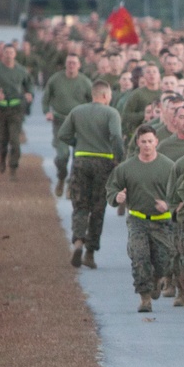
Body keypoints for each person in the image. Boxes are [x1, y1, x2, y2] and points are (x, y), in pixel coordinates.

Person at [105, 125, 176, 312]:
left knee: (164, 261)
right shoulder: (126, 168)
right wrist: (117, 197)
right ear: (137, 143)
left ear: (156, 142)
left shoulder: (169, 167)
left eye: (150, 141)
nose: (147, 145)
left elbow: (180, 194)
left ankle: (157, 279)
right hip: (137, 220)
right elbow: (112, 188)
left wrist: (168, 204)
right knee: (139, 256)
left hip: (163, 221)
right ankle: (144, 298)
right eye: (143, 141)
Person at [57, 80, 126, 268]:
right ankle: (90, 253)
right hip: (104, 163)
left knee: (80, 205)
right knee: (98, 208)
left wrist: (78, 143)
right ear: (105, 95)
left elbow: (63, 135)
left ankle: (78, 241)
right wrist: (119, 157)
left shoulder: (77, 111)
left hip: (81, 160)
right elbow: (116, 136)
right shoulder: (111, 113)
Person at [43, 53, 93, 196]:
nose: (71, 65)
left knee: (78, 156)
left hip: (79, 123)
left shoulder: (85, 82)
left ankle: (72, 184)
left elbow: (93, 101)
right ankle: (61, 177)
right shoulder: (56, 79)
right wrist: (47, 112)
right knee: (62, 155)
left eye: (74, 63)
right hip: (60, 121)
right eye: (69, 62)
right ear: (65, 64)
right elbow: (46, 98)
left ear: (79, 65)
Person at [0, 43, 33, 180]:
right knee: (2, 140)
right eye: (7, 53)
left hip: (16, 109)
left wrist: (29, 94)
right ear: (2, 54)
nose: (9, 55)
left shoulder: (21, 70)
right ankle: (1, 157)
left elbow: (29, 85)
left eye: (11, 53)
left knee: (15, 141)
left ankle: (13, 168)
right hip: (0, 109)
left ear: (15, 54)